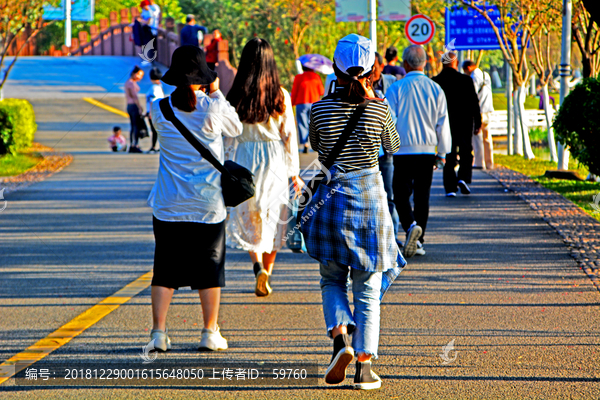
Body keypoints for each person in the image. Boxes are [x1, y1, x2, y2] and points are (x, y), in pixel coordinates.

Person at [301, 34, 403, 390]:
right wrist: (375, 101)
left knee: (331, 279)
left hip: (332, 202)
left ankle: (340, 335)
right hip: (371, 204)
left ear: (335, 68)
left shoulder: (319, 109)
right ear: (371, 68)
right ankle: (364, 366)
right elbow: (393, 146)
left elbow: (318, 147)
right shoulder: (379, 107)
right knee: (368, 286)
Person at [146, 45, 243, 352]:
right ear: (203, 78)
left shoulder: (158, 109)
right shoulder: (212, 107)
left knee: (164, 270)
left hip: (168, 203)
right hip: (207, 205)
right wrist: (215, 94)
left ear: (174, 77)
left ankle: (158, 334)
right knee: (210, 269)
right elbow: (236, 127)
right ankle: (210, 332)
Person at [226, 38, 302, 297]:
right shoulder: (280, 94)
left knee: (251, 214)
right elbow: (289, 136)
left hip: (245, 158)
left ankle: (256, 265)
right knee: (274, 216)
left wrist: (225, 166)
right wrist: (294, 173)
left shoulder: (235, 95)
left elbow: (228, 137)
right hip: (274, 159)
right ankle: (267, 272)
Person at [385, 45, 451, 258]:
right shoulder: (436, 89)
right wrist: (443, 152)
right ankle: (419, 241)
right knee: (423, 196)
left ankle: (410, 225)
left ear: (405, 64)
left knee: (400, 194)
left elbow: (388, 121)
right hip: (427, 151)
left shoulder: (395, 88)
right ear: (425, 63)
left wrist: (386, 146)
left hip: (401, 151)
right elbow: (443, 124)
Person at [432, 52, 481, 196]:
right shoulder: (466, 80)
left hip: (445, 124)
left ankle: (450, 188)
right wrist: (478, 122)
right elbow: (474, 103)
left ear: (442, 63)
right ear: (456, 62)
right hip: (465, 123)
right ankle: (463, 178)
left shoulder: (436, 81)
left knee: (449, 153)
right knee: (466, 152)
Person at [371, 52, 400, 243]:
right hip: (366, 154)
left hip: (386, 152)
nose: (372, 70)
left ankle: (393, 238)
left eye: (374, 66)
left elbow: (393, 118)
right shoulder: (352, 89)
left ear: (381, 66)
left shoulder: (388, 85)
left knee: (389, 195)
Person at [463, 60, 494, 169]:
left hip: (479, 111)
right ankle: (489, 163)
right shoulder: (486, 75)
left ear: (468, 68)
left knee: (477, 137)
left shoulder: (473, 77)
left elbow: (472, 95)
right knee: (487, 137)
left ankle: (479, 163)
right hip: (488, 110)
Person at [291, 65, 324, 153]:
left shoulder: (298, 77)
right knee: (314, 124)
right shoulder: (316, 77)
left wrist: (292, 103)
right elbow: (321, 91)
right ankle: (315, 143)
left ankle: (305, 143)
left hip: (301, 104)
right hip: (315, 104)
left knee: (302, 124)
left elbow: (294, 91)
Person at [125, 65, 144, 153]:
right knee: (136, 126)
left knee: (133, 126)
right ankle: (135, 144)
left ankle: (133, 144)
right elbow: (135, 96)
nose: (140, 77)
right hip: (133, 106)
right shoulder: (131, 83)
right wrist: (139, 107)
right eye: (139, 75)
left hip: (129, 106)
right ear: (134, 73)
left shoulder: (128, 82)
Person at [146, 67, 165, 153]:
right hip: (159, 112)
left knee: (154, 131)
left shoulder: (153, 87)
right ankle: (157, 146)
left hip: (153, 112)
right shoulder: (159, 86)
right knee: (157, 130)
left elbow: (151, 101)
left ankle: (153, 146)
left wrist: (150, 113)